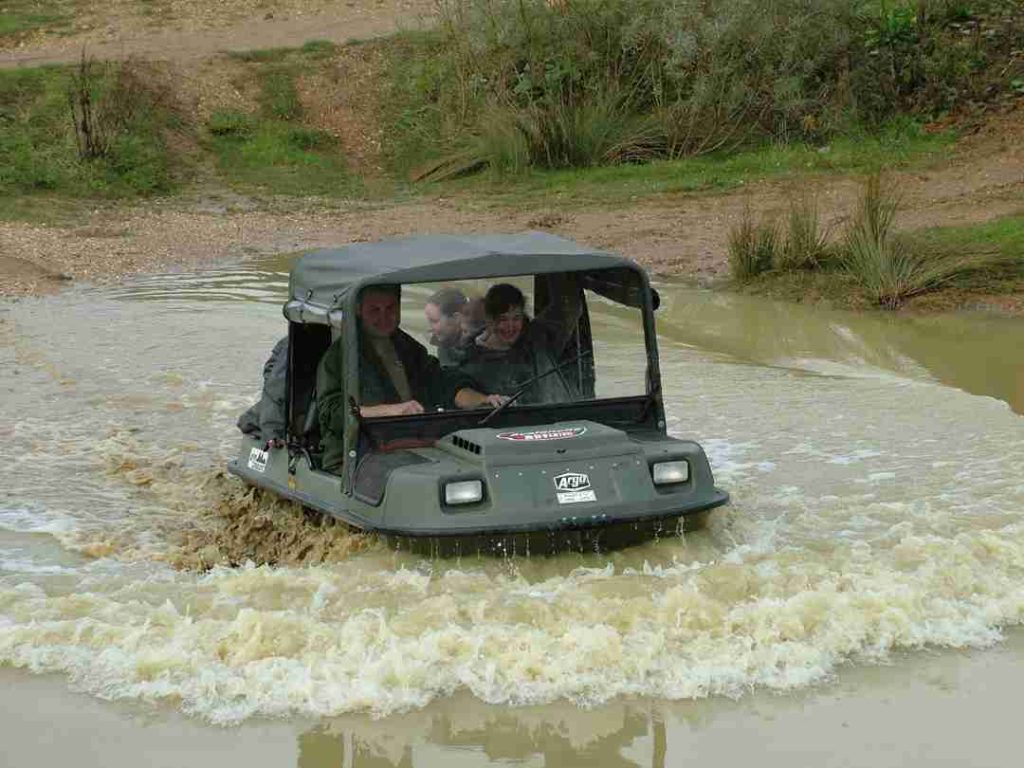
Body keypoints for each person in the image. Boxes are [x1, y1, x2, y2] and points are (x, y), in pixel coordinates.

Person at [317, 285, 504, 473]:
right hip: (356, 456)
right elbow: (332, 414)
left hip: (411, 445)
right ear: (358, 311)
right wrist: (391, 410)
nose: (384, 317)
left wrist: (481, 400)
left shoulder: (405, 344)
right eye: (375, 310)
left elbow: (442, 381)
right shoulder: (338, 356)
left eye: (390, 308)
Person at [458, 278, 582, 406]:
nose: (510, 327)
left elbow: (569, 305)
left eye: (516, 318)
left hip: (563, 418)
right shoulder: (471, 362)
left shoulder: (539, 338)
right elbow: (464, 400)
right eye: (503, 319)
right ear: (490, 320)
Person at [237, 336, 288, 448]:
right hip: (282, 406)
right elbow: (275, 382)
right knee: (247, 422)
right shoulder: (290, 344)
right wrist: (272, 433)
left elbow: (269, 371)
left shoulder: (289, 341)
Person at [424, 287, 469, 368]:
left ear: (456, 318)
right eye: (429, 321)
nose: (430, 328)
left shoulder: (480, 351)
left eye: (434, 321)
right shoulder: (444, 341)